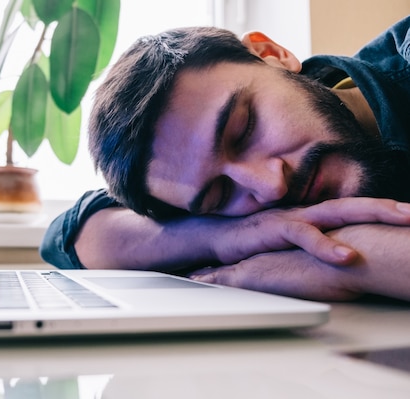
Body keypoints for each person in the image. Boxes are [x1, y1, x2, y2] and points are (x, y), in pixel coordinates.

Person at [40, 17, 410, 302]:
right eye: (219, 194)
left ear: (273, 55)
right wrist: (226, 237)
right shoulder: (240, 211)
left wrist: (349, 260)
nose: (271, 185)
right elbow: (66, 238)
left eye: (245, 128)